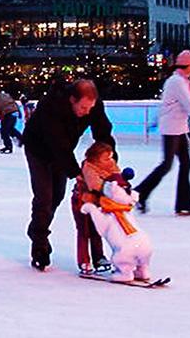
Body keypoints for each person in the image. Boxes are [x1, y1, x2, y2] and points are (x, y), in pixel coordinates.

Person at [22, 78, 116, 271]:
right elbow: (58, 145)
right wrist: (78, 173)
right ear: (72, 99)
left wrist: (110, 163)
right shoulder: (51, 105)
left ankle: (37, 228)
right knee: (44, 197)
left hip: (61, 151)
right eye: (83, 108)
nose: (86, 113)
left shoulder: (92, 105)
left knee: (56, 196)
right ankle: (39, 244)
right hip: (38, 149)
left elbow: (103, 133)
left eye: (90, 108)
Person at [134, 50, 190, 216]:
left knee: (183, 164)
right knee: (167, 165)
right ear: (187, 65)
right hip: (172, 129)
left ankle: (182, 203)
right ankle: (140, 193)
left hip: (179, 128)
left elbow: (188, 103)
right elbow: (189, 106)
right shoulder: (177, 82)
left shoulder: (180, 81)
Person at [71, 141, 118, 275]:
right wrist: (111, 187)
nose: (109, 160)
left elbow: (117, 178)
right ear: (96, 157)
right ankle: (84, 260)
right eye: (105, 158)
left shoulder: (110, 164)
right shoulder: (88, 166)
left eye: (110, 157)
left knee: (97, 230)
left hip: (97, 203)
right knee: (84, 231)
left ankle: (99, 258)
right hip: (82, 202)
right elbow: (94, 185)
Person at [0, 85, 22, 154]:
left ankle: (8, 146)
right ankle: (21, 139)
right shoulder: (6, 95)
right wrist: (19, 112)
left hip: (8, 113)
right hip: (14, 112)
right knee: (10, 129)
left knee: (4, 130)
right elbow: (14, 103)